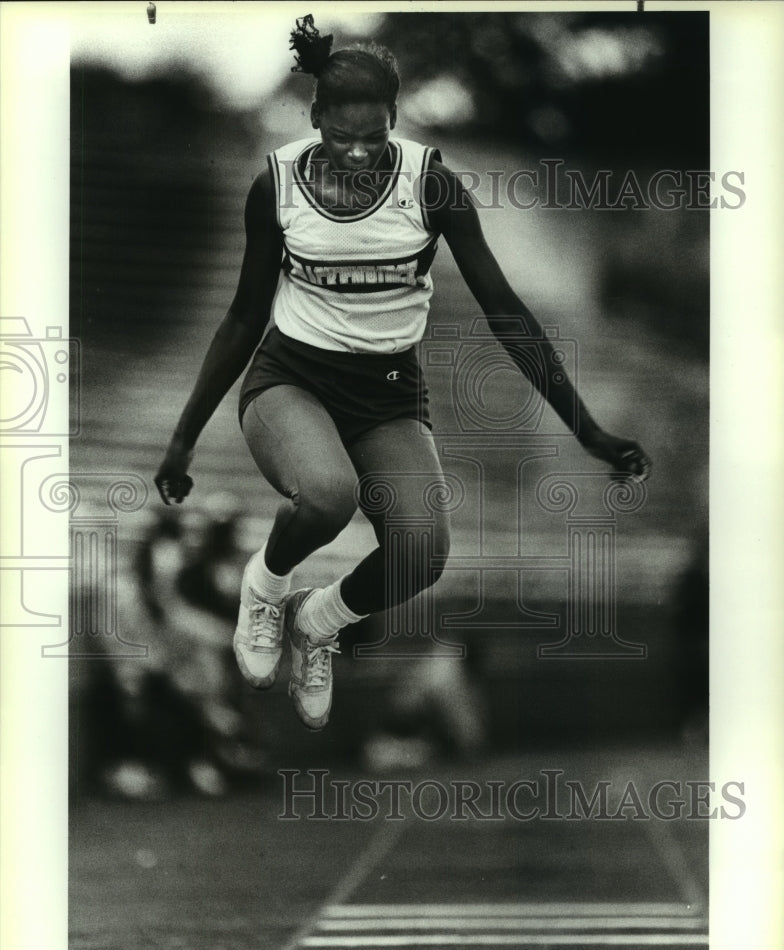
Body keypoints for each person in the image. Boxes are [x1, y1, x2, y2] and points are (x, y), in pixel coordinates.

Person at [155, 14, 651, 733]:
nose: (359, 152)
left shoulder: (431, 186)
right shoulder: (277, 187)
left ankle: (317, 621)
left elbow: (506, 312)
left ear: (395, 118)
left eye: (375, 135)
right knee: (327, 495)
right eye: (341, 136)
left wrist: (588, 428)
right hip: (291, 379)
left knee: (423, 553)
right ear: (315, 118)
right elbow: (241, 317)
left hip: (386, 395)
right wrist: (184, 438)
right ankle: (265, 589)